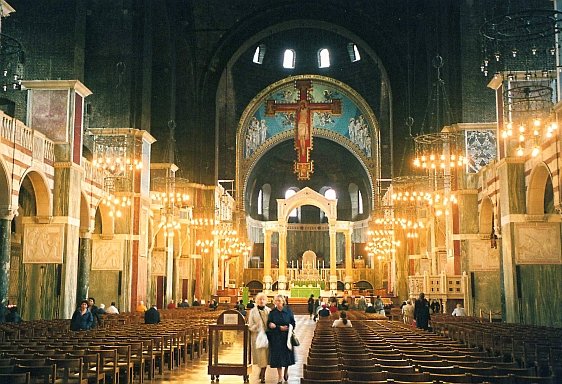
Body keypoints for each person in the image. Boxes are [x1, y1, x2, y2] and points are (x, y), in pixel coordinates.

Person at [267, 294, 295, 384]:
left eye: (279, 301)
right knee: (278, 357)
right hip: (276, 337)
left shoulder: (288, 311)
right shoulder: (272, 312)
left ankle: (286, 370)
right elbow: (269, 323)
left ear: (283, 301)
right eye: (276, 301)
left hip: (286, 337)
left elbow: (293, 322)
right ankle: (279, 376)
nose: (278, 302)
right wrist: (278, 327)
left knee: (287, 356)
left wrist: (290, 328)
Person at [247, 292, 270, 383]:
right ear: (257, 301)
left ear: (266, 301)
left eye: (263, 299)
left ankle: (263, 373)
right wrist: (255, 327)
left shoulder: (269, 310)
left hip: (267, 337)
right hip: (257, 337)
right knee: (260, 356)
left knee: (266, 356)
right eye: (260, 299)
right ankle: (262, 371)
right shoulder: (253, 311)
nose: (261, 301)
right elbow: (250, 324)